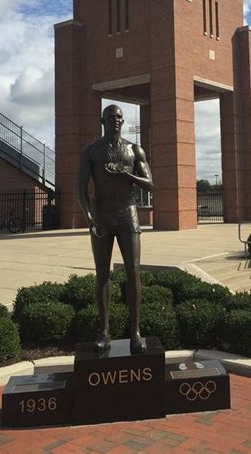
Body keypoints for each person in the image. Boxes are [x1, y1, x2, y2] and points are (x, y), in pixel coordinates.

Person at [77, 104, 153, 353]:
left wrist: (127, 175)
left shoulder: (134, 149)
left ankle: (136, 333)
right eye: (111, 117)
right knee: (102, 274)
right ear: (102, 120)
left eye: (119, 117)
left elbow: (150, 185)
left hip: (127, 213)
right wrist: (90, 221)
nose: (116, 121)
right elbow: (81, 189)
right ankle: (104, 332)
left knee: (133, 271)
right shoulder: (91, 151)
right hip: (101, 216)